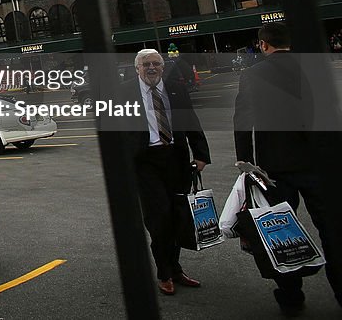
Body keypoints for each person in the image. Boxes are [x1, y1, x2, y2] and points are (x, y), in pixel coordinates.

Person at [234, 22, 342, 314]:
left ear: (263, 45)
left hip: (275, 167)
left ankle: (291, 294)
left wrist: (245, 161)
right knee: (332, 229)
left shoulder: (253, 74)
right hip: (318, 163)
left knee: (280, 229)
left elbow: (243, 121)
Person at [122, 48, 211, 296]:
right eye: (146, 64)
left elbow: (190, 119)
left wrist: (201, 153)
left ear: (163, 67)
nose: (151, 68)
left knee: (177, 216)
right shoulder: (123, 92)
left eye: (156, 64)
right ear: (137, 68)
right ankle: (165, 273)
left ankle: (176, 268)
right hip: (145, 162)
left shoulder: (175, 87)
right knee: (158, 218)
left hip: (175, 158)